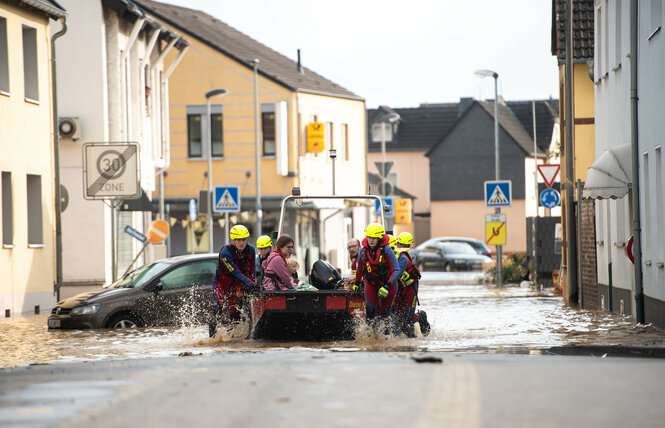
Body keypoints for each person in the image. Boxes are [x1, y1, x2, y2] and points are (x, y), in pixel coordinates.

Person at [209, 224, 256, 337]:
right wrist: (250, 283)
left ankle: (233, 336)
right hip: (221, 283)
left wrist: (253, 283)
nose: (241, 243)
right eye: (238, 240)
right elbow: (236, 272)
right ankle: (212, 338)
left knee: (235, 312)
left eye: (244, 240)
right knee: (216, 309)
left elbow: (252, 269)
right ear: (233, 240)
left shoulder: (251, 250)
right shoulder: (225, 252)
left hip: (236, 285)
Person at [354, 223, 400, 325]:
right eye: (369, 237)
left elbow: (396, 270)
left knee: (384, 313)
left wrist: (387, 286)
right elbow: (360, 270)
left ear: (379, 238)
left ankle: (385, 336)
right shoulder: (362, 251)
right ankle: (372, 337)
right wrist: (357, 283)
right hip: (371, 283)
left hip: (388, 284)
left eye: (374, 238)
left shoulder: (387, 250)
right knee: (370, 309)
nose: (371, 240)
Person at [393, 232, 430, 337]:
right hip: (399, 287)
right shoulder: (393, 254)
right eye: (399, 244)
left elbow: (396, 273)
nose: (401, 247)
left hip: (410, 288)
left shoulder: (406, 257)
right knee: (397, 313)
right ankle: (407, 336)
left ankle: (420, 317)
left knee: (407, 317)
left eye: (404, 245)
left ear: (408, 246)